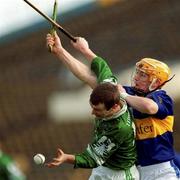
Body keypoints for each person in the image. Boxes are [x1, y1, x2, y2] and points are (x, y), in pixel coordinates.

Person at [46, 33, 180, 179]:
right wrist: (62, 51)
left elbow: (150, 108)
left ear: (155, 81)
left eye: (143, 75)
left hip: (162, 170)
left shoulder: (162, 98)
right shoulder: (125, 93)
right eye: (138, 72)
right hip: (139, 171)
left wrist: (124, 96)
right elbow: (89, 77)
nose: (136, 77)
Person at [46, 82, 139, 179]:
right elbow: (103, 70)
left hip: (119, 175)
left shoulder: (119, 128)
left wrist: (66, 158)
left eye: (97, 109)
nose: (92, 112)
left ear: (114, 107)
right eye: (92, 107)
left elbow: (92, 158)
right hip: (104, 168)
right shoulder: (112, 95)